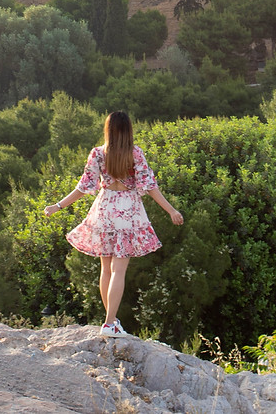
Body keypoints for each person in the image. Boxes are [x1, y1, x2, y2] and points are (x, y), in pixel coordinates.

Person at [43, 110, 183, 337]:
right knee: (118, 270)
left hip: (105, 209)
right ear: (128, 130)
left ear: (108, 129)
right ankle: (110, 323)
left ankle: (111, 321)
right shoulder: (135, 153)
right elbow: (150, 187)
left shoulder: (98, 153)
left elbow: (83, 187)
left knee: (106, 269)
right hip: (128, 210)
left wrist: (57, 206)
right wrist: (171, 210)